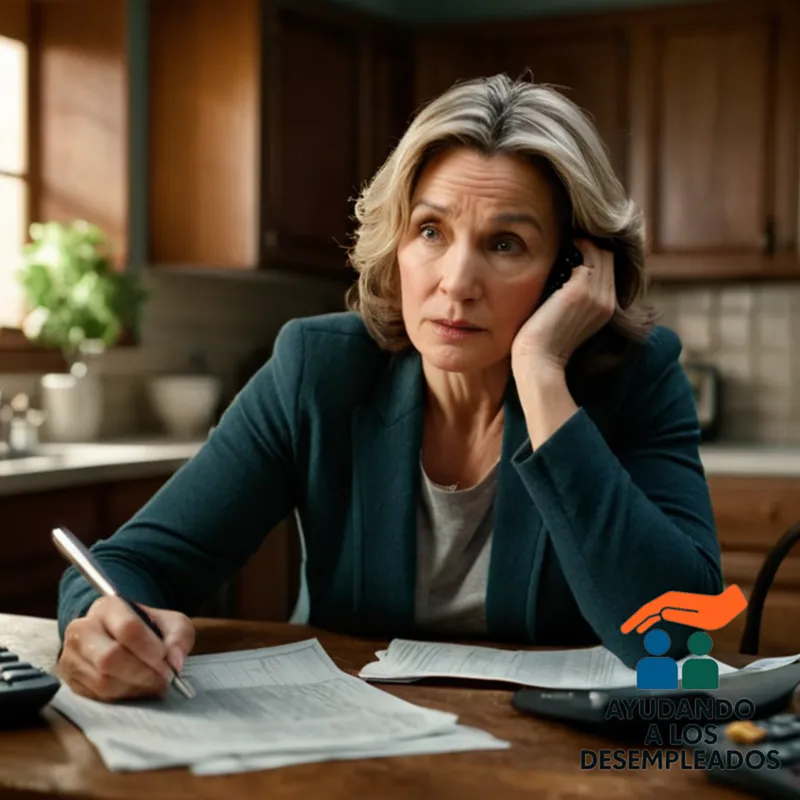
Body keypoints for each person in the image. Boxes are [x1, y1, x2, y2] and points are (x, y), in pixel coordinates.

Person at [56, 73, 724, 702]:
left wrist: (543, 375)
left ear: (571, 272)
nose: (456, 281)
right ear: (395, 242)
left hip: (551, 765)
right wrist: (103, 623)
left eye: (506, 244)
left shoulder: (638, 377)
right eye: (431, 231)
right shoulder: (317, 370)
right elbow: (128, 567)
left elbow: (676, 633)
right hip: (354, 747)